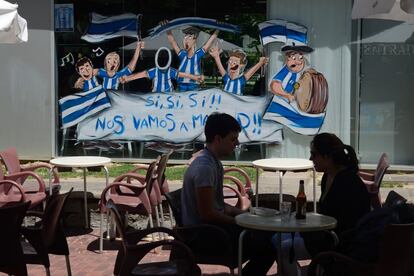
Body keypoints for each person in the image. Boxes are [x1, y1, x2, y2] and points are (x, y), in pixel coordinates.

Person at [181, 112, 276, 275]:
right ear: (218, 139)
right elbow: (207, 214)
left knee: (268, 235)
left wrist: (247, 215)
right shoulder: (205, 167)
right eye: (233, 139)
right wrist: (240, 221)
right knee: (269, 243)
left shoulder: (213, 161)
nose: (237, 143)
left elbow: (217, 205)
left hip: (213, 229)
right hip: (204, 235)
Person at [279, 132, 371, 276]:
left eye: (313, 154)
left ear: (327, 156)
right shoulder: (329, 175)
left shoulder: (347, 183)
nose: (310, 158)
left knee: (282, 247)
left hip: (339, 243)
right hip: (327, 235)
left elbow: (343, 223)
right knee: (277, 238)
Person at [120, 47, 203, 93]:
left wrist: (195, 78)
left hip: (169, 96)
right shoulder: (156, 71)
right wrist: (127, 79)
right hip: (157, 97)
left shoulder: (169, 71)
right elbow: (141, 74)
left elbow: (182, 74)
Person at [166, 26, 218, 91]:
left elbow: (209, 42)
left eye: (189, 36)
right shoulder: (182, 54)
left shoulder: (198, 55)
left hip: (194, 85)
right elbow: (173, 42)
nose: (185, 39)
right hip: (181, 85)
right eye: (185, 37)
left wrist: (218, 29)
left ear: (195, 40)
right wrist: (167, 28)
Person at [74, 41, 144, 90]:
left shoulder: (120, 75)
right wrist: (80, 79)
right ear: (105, 63)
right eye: (109, 59)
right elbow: (91, 72)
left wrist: (138, 47)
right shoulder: (101, 72)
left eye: (116, 59)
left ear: (118, 64)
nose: (112, 62)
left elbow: (131, 66)